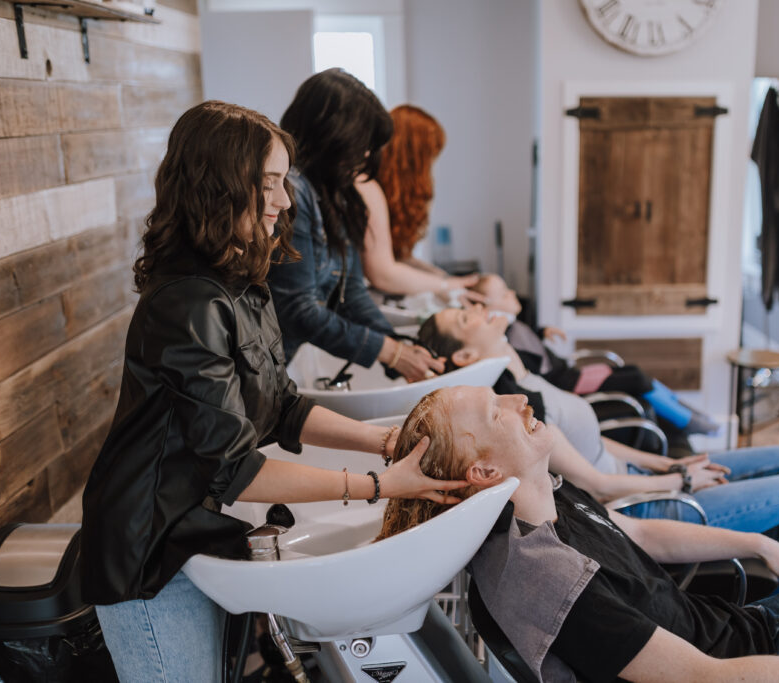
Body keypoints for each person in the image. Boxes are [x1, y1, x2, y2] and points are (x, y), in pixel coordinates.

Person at [78, 101, 466, 683]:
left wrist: (387, 443)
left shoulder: (241, 283)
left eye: (283, 181)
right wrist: (379, 485)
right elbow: (238, 471)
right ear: (219, 188)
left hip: (198, 531)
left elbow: (282, 406)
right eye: (270, 184)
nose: (285, 201)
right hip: (148, 549)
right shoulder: (185, 306)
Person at [377, 387, 779, 683]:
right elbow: (708, 678)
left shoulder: (540, 499)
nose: (520, 399)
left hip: (732, 628)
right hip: (756, 653)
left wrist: (761, 545)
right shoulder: (554, 585)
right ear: (482, 473)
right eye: (498, 412)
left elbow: (639, 534)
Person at [417, 306, 779, 565]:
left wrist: (666, 462)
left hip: (643, 474)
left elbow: (590, 442)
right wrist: (678, 480)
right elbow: (597, 483)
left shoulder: (522, 375)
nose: (474, 308)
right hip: (640, 501)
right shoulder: (520, 409)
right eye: (464, 317)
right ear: (465, 355)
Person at [268, 70, 444, 382]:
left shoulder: (337, 194)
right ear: (332, 135)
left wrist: (400, 347)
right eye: (361, 144)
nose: (365, 156)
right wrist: (391, 353)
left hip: (280, 361)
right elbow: (298, 310)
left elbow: (350, 291)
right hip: (259, 366)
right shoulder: (292, 193)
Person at [471, 273, 719, 435]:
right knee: (636, 378)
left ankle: (687, 413)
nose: (512, 293)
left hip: (569, 372)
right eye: (504, 294)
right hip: (567, 383)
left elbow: (526, 336)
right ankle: (688, 422)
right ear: (485, 305)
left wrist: (542, 331)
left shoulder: (514, 324)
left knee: (631, 370)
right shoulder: (503, 339)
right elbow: (527, 366)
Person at [359, 104, 480, 299]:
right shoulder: (368, 190)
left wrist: (447, 279)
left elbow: (400, 258)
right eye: (429, 158)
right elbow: (383, 272)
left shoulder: (381, 193)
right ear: (411, 160)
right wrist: (446, 284)